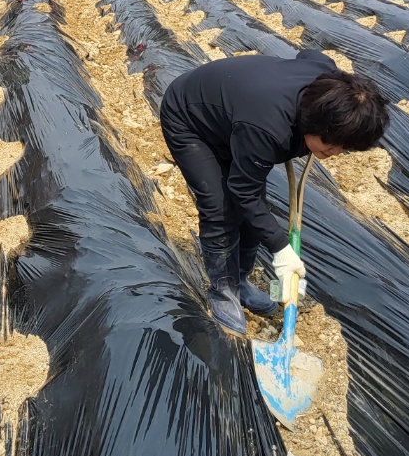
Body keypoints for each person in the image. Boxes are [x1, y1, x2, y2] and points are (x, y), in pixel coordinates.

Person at [159, 53, 389, 337]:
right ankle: (223, 289)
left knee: (256, 213)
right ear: (313, 121)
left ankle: (240, 280)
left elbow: (309, 56)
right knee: (220, 208)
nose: (334, 154)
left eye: (344, 148)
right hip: (190, 120)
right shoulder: (268, 126)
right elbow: (243, 190)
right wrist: (282, 251)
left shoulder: (326, 80)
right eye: (331, 146)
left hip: (236, 120)